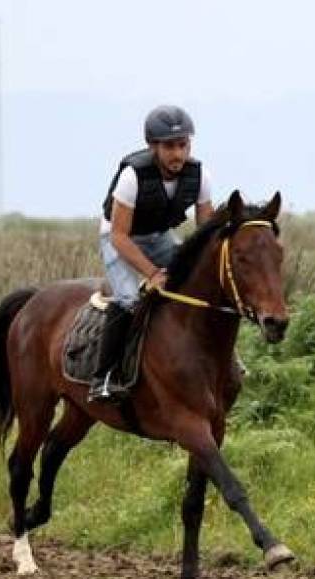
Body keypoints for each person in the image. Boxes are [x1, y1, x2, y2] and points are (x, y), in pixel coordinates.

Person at [90, 105, 213, 402]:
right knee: (130, 300)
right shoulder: (133, 177)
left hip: (157, 236)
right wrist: (154, 274)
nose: (178, 154)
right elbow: (120, 236)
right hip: (118, 237)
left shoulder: (201, 176)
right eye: (169, 146)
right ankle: (103, 377)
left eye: (183, 145)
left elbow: (206, 233)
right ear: (152, 146)